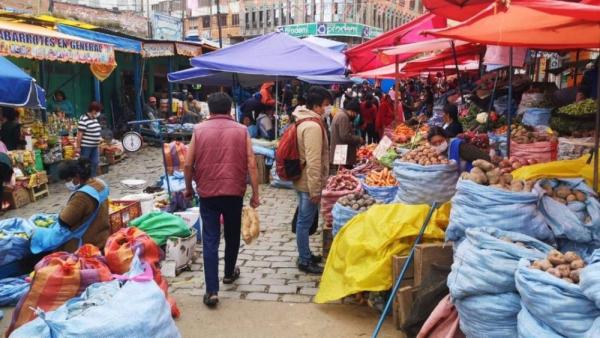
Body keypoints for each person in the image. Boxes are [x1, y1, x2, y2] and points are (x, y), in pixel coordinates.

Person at [183, 92, 260, 308]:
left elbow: (188, 165)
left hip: (208, 193)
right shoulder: (242, 130)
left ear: (210, 109)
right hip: (234, 192)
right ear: (229, 110)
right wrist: (255, 193)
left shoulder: (198, 130)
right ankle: (228, 273)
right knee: (233, 233)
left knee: (210, 239)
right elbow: (252, 164)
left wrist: (189, 188)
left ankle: (211, 291)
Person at [292, 86, 333, 274]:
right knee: (304, 221)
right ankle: (304, 259)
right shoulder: (313, 126)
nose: (328, 108)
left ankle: (306, 253)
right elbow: (314, 161)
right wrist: (315, 189)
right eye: (326, 105)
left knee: (304, 219)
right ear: (316, 106)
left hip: (304, 180)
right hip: (308, 182)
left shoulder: (305, 121)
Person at [31, 158, 109, 253]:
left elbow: (64, 220)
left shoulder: (82, 197)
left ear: (76, 176)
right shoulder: (100, 183)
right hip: (102, 235)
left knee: (47, 241)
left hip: (88, 242)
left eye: (68, 180)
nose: (67, 184)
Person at [330, 98, 363, 169]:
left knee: (341, 172)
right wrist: (358, 139)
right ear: (352, 111)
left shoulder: (341, 114)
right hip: (342, 152)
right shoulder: (343, 117)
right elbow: (345, 136)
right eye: (356, 113)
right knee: (343, 173)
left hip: (340, 150)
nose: (355, 115)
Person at [76, 102, 103, 178]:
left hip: (95, 146)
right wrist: (78, 147)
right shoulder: (83, 119)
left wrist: (99, 138)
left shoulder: (95, 119)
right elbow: (79, 135)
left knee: (95, 162)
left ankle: (92, 178)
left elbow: (96, 130)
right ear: (93, 110)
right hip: (86, 147)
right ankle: (84, 179)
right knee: (84, 164)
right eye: (98, 111)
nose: (98, 113)